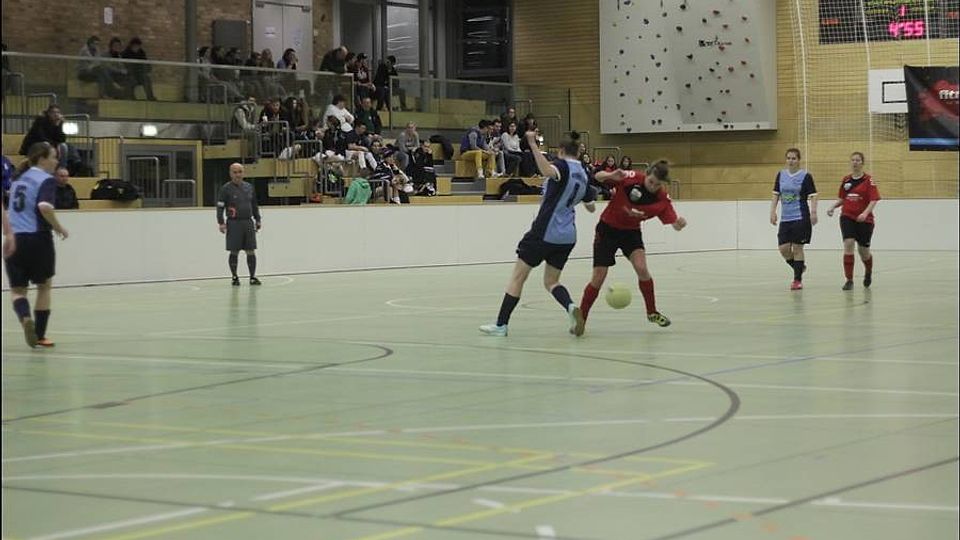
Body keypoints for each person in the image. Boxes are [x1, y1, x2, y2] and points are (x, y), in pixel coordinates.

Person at [479, 132, 596, 337]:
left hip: (545, 231)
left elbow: (546, 170)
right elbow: (591, 206)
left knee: (518, 277)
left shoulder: (562, 166)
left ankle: (501, 325)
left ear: (560, 151)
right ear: (578, 152)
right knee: (551, 282)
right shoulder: (584, 173)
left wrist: (533, 144)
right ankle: (570, 307)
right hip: (568, 236)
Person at [578, 161, 687, 333]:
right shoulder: (630, 178)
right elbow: (597, 177)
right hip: (607, 229)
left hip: (631, 233)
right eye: (651, 181)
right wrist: (610, 175)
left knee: (642, 268)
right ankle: (581, 319)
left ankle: (652, 312)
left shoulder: (662, 199)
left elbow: (674, 224)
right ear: (647, 174)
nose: (653, 186)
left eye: (657, 184)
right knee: (599, 276)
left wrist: (679, 224)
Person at [5, 142, 69, 348]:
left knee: (17, 290)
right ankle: (40, 335)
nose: (56, 161)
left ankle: (25, 317)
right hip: (38, 238)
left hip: (14, 239)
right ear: (41, 159)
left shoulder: (17, 180)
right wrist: (59, 227)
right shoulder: (46, 180)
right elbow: (44, 206)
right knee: (44, 286)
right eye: (53, 157)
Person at [826, 151, 880, 290]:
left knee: (863, 251)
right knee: (848, 243)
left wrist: (865, 213)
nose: (855, 162)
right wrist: (833, 206)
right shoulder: (846, 180)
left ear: (862, 163)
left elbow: (874, 199)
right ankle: (849, 280)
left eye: (858, 160)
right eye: (853, 160)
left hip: (864, 220)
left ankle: (868, 271)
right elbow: (842, 198)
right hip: (847, 216)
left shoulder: (868, 180)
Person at [770, 147, 818, 290]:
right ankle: (799, 267)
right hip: (786, 218)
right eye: (788, 158)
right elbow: (776, 194)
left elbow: (813, 196)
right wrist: (772, 211)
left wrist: (813, 212)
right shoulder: (781, 175)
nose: (791, 161)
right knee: (783, 249)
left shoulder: (805, 176)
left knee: (797, 248)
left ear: (798, 160)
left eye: (794, 158)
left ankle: (797, 280)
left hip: (800, 217)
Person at [216, 163, 262, 286]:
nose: (238, 175)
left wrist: (257, 219)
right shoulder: (225, 189)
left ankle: (252, 277)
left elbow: (254, 205)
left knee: (250, 250)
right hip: (234, 223)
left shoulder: (249, 187)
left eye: (240, 172)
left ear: (243, 173)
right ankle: (235, 277)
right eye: (235, 172)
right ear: (230, 174)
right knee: (234, 251)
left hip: (248, 222)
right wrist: (221, 222)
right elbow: (220, 207)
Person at [20, 104, 68, 170]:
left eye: (58, 112)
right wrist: (54, 144)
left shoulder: (58, 122)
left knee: (63, 146)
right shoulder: (41, 120)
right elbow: (41, 137)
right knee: (46, 145)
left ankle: (61, 168)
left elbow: (62, 139)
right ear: (48, 113)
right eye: (53, 112)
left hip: (49, 143)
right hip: (34, 144)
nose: (56, 114)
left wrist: (57, 126)